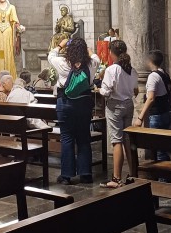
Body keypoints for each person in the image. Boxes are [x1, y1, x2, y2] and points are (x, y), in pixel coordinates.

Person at [49, 36, 99, 185]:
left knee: (66, 138)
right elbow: (95, 56)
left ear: (68, 50)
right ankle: (86, 174)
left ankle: (66, 176)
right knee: (84, 138)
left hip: (65, 103)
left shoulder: (63, 63)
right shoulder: (92, 63)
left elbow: (51, 56)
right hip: (84, 104)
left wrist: (60, 45)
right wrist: (88, 50)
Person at [98, 40, 139, 188]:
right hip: (129, 104)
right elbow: (136, 90)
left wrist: (99, 90)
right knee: (128, 139)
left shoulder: (112, 69)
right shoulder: (131, 70)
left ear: (112, 52)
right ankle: (133, 174)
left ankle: (116, 179)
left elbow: (106, 91)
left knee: (117, 141)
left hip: (115, 106)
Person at [134, 51, 171, 163]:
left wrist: (140, 117)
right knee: (162, 147)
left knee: (159, 150)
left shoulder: (153, 76)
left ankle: (164, 178)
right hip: (166, 112)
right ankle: (166, 174)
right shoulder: (165, 74)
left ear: (150, 61)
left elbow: (151, 98)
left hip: (157, 115)